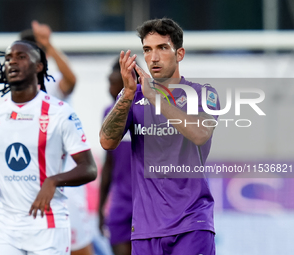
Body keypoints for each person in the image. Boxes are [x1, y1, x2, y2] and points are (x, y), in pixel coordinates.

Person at [0, 40, 97, 255]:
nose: (12, 62)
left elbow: (89, 168)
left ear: (39, 66)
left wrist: (54, 181)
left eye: (21, 57)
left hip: (48, 226)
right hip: (7, 227)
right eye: (8, 58)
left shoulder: (60, 113)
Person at [99, 18, 220, 255]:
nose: (153, 57)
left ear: (180, 53)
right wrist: (127, 95)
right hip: (145, 230)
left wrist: (156, 98)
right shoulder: (132, 97)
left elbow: (200, 134)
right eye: (147, 50)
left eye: (162, 48)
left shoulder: (202, 93)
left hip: (192, 224)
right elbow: (107, 141)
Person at [20, 21, 96, 255]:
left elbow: (71, 81)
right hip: (31, 189)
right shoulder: (14, 98)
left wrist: (49, 46)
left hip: (66, 188)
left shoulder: (51, 88)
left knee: (78, 249)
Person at [98, 60, 132, 255]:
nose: (110, 88)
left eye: (114, 83)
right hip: (120, 200)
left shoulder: (146, 111)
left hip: (145, 200)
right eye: (108, 82)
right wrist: (100, 208)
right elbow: (108, 164)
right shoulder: (108, 114)